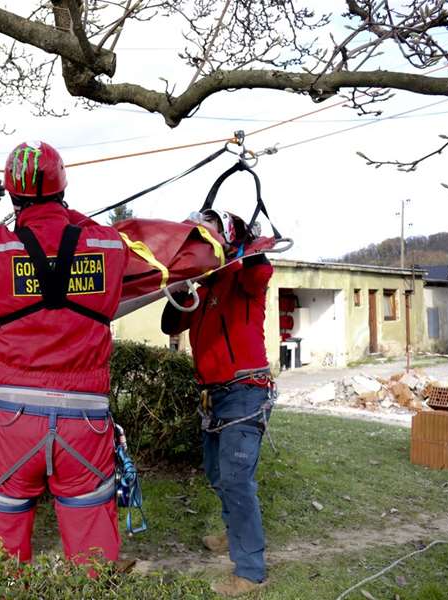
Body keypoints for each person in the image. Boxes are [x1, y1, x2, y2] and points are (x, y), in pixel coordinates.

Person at [0, 141, 129, 566]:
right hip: (86, 423)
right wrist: (61, 214)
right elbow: (91, 232)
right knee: (93, 556)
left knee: (0, 554)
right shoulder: (111, 248)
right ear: (63, 189)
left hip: (15, 422)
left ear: (13, 195)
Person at [161, 209, 275, 597]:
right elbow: (170, 324)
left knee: (236, 479)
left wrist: (247, 240)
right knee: (216, 472)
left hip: (245, 392)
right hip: (214, 396)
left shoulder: (244, 276)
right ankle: (234, 533)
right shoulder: (203, 287)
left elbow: (261, 269)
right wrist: (181, 284)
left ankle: (251, 571)